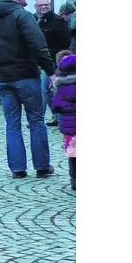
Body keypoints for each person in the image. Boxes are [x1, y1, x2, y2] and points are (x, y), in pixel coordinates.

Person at [0, 0, 58, 178]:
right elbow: (38, 45)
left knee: (12, 124)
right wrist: (51, 71)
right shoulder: (22, 16)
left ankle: (17, 168)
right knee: (36, 120)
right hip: (25, 75)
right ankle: (42, 166)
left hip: (3, 78)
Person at [50, 50, 76, 190]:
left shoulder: (61, 87)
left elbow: (56, 106)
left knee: (73, 155)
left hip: (68, 128)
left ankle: (74, 181)